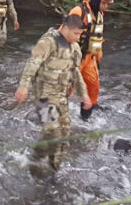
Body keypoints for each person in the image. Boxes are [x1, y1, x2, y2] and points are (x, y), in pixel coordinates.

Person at [14, 14, 92, 170]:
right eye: (75, 34)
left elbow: (75, 73)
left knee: (63, 135)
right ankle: (34, 158)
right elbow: (33, 63)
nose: (78, 38)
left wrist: (84, 95)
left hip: (61, 97)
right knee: (52, 133)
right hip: (44, 96)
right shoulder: (47, 43)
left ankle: (54, 168)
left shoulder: (75, 48)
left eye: (80, 34)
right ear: (64, 28)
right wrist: (24, 86)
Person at [68, 0, 114, 121]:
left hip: (90, 58)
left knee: (93, 89)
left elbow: (97, 38)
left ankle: (85, 121)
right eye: (104, 3)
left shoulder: (99, 15)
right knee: (66, 90)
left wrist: (98, 57)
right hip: (74, 59)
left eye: (108, 4)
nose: (106, 7)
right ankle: (53, 121)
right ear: (95, 0)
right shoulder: (78, 12)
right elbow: (64, 35)